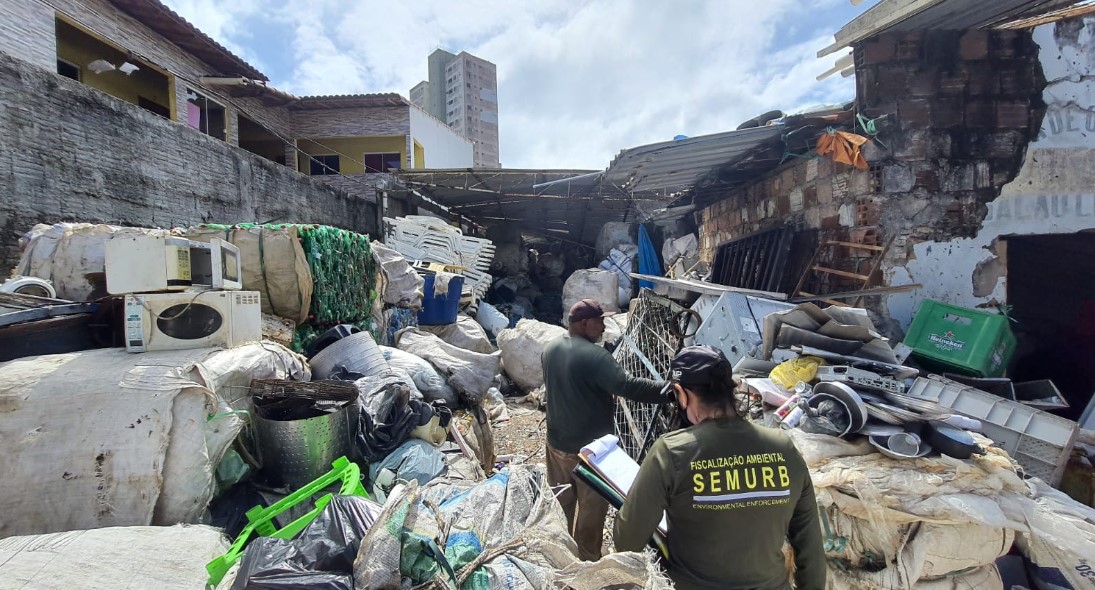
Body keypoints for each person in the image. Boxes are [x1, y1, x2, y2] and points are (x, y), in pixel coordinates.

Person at [613, 345, 826, 590]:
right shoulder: (784, 449)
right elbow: (810, 546)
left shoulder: (672, 452)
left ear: (681, 393)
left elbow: (627, 541)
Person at [542, 298, 667, 561]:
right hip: (590, 453)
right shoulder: (596, 357)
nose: (603, 327)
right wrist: (669, 391)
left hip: (556, 444)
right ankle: (587, 563)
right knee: (591, 510)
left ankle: (559, 557)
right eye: (600, 321)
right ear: (585, 323)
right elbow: (627, 386)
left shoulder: (550, 349)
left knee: (560, 502)